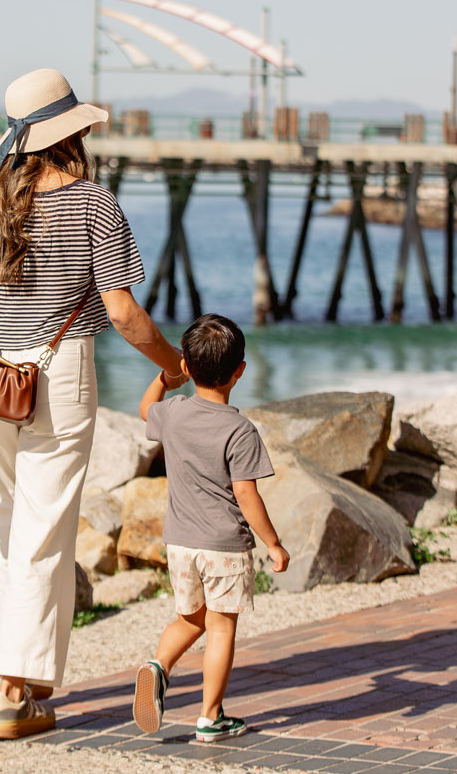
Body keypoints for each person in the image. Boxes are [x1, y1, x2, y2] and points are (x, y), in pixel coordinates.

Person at [0, 68, 187, 740]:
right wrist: (174, 364)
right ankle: (9, 689)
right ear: (71, 133)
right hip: (61, 375)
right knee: (44, 531)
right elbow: (124, 313)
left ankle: (27, 676)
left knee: (7, 524)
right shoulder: (94, 204)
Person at [133, 313, 290, 743]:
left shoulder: (175, 414)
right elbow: (246, 495)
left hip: (180, 543)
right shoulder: (240, 430)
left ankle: (158, 667)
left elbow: (145, 409)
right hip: (224, 546)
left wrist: (164, 380)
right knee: (221, 627)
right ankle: (210, 716)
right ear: (239, 371)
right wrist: (273, 543)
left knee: (190, 618)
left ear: (186, 365)